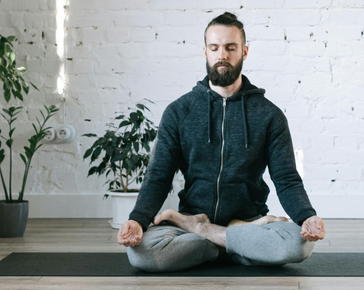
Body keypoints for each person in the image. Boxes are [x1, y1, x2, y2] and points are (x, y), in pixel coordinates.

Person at [117, 12, 326, 272]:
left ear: (244, 52)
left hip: (248, 220)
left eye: (230, 48)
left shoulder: (268, 115)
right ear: (205, 51)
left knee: (299, 244)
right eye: (215, 48)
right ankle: (235, 245)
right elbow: (158, 175)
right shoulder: (179, 112)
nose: (222, 55)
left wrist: (306, 216)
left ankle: (208, 236)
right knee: (141, 254)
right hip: (196, 221)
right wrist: (138, 220)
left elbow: (286, 178)